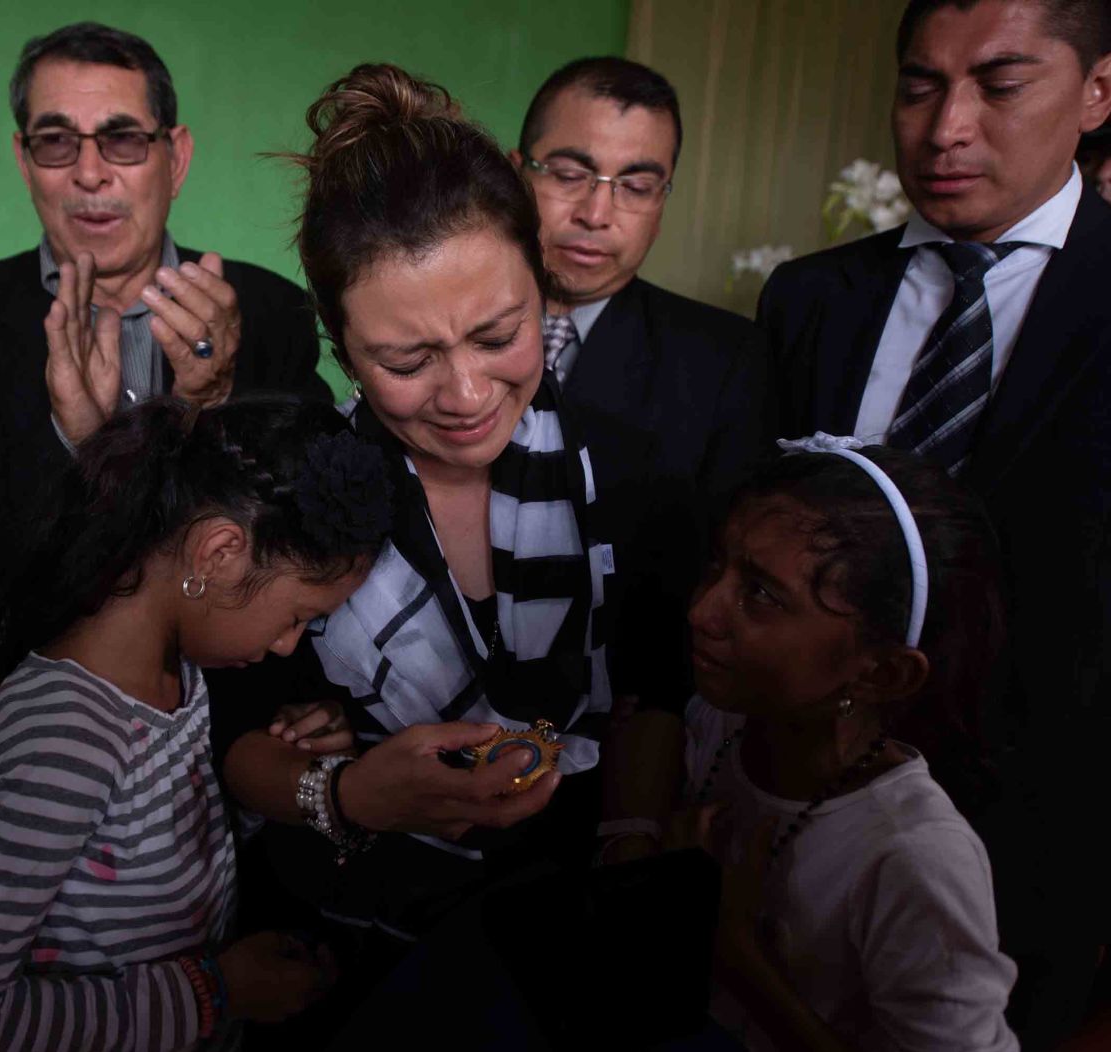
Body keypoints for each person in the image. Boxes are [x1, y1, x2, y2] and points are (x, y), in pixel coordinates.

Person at [208, 63, 695, 1048]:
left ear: (539, 287)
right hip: (342, 957)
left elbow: (652, 689)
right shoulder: (291, 489)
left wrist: (629, 850)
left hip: (569, 946)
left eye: (497, 334)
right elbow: (234, 740)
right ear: (339, 347)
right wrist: (349, 793)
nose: (466, 392)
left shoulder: (630, 468)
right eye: (406, 359)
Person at [758, 1, 1111, 1043]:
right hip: (789, 816)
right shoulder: (808, 300)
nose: (945, 126)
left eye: (1000, 85)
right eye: (918, 86)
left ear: (1097, 91)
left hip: (1036, 846)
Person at [0, 397, 393, 1051]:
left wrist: (277, 767)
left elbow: (142, 852)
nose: (287, 646)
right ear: (218, 553)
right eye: (296, 614)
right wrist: (217, 991)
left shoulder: (177, 678)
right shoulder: (64, 738)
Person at [0, 22, 332, 584]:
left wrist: (207, 404)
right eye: (56, 141)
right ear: (24, 160)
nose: (88, 173)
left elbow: (309, 544)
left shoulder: (274, 311)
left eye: (122, 139)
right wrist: (80, 446)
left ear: (175, 160)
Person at [666, 436, 1018, 1050]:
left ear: (882, 674)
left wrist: (737, 955)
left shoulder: (915, 859)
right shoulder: (727, 720)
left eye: (762, 595)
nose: (704, 611)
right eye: (717, 566)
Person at [513, 57, 772, 506]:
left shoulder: (724, 363)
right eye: (570, 176)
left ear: (662, 202)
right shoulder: (435, 315)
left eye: (635, 188)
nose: (596, 214)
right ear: (515, 175)